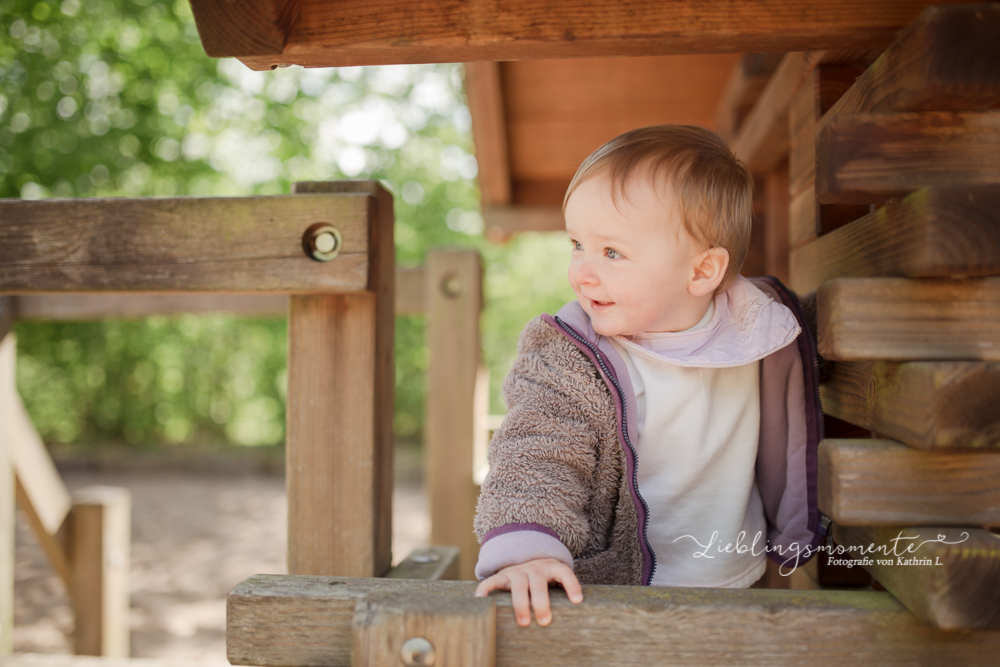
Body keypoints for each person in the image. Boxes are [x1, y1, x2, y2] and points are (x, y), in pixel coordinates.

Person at [473, 125, 825, 627]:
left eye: (611, 252)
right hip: (610, 596)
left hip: (739, 583)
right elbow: (537, 449)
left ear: (702, 272)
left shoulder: (764, 330)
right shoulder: (570, 356)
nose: (582, 273)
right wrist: (529, 548)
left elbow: (820, 347)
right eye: (577, 244)